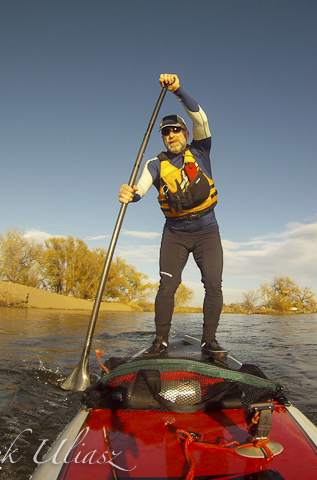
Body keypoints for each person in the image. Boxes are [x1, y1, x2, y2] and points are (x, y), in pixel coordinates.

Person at [119, 73, 226, 359]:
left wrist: (178, 90)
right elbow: (140, 186)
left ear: (185, 134)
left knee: (213, 285)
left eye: (176, 130)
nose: (171, 136)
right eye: (166, 132)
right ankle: (161, 342)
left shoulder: (201, 151)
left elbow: (201, 120)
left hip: (207, 232)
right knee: (167, 286)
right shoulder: (155, 164)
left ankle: (209, 342)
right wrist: (131, 194)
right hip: (175, 234)